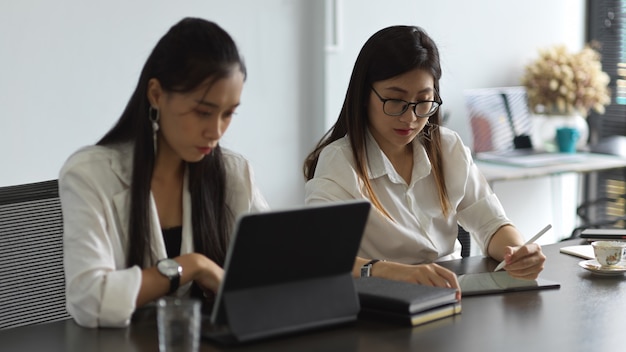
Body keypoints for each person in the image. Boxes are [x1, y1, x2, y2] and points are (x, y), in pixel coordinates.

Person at [303, 25, 546, 296]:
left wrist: (517, 252)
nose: (410, 118)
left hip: (450, 296)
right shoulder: (340, 162)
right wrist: (396, 272)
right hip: (382, 304)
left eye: (423, 101)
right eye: (395, 101)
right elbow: (320, 258)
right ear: (363, 96)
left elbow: (492, 224)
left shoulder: (447, 147)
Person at [59, 17, 269, 328]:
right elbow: (90, 299)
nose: (216, 131)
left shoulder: (234, 174)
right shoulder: (90, 175)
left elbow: (272, 273)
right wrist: (192, 266)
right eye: (203, 112)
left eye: (228, 114)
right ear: (156, 95)